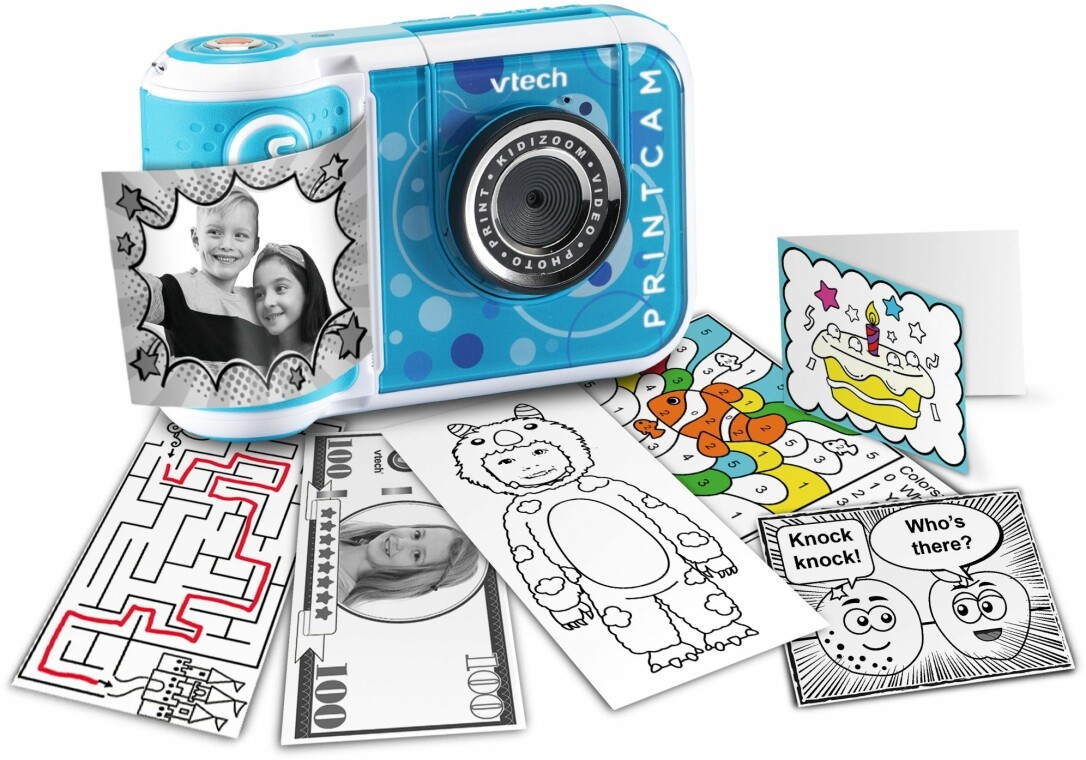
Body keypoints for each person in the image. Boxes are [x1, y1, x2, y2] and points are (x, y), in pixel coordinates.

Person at [141, 187, 272, 370]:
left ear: (254, 247)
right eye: (215, 232)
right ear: (196, 239)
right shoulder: (176, 291)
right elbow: (130, 290)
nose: (226, 245)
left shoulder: (261, 304)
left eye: (240, 235)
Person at [336, 521, 482, 609]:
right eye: (416, 535)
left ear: (411, 576)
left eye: (416, 555)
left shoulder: (333, 596)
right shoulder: (339, 528)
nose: (401, 542)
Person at [252, 242, 332, 362]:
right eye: (259, 294)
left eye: (280, 288)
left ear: (308, 290)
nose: (267, 302)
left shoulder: (330, 357)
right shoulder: (256, 359)